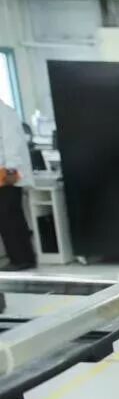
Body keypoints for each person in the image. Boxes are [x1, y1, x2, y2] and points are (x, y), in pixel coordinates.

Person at [0, 99, 36, 271]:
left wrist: (11, 169)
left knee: (10, 217)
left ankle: (22, 259)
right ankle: (18, 257)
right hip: (4, 172)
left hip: (9, 173)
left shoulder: (5, 113)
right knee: (6, 218)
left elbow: (11, 143)